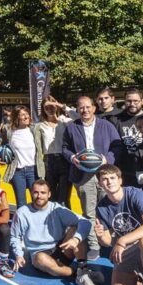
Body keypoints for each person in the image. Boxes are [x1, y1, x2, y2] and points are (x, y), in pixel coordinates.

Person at [9, 179, 98, 285]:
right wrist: (18, 255)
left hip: (61, 248)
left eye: (43, 193)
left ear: (49, 194)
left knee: (76, 229)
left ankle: (82, 269)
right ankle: (79, 273)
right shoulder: (22, 212)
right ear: (31, 193)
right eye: (36, 192)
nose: (39, 196)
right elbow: (15, 236)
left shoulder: (56, 209)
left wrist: (76, 239)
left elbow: (85, 222)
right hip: (40, 253)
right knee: (40, 259)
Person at [61, 96, 121, 258]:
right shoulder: (71, 127)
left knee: (109, 209)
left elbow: (117, 146)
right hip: (82, 173)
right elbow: (65, 148)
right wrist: (72, 157)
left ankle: (110, 242)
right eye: (81, 108)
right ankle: (94, 245)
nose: (85, 110)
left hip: (104, 171)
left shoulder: (106, 126)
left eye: (88, 107)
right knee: (89, 211)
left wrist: (107, 159)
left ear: (94, 108)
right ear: (77, 109)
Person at [0, 105, 44, 210]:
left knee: (37, 201)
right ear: (16, 117)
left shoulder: (35, 129)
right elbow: (0, 144)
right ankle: (22, 225)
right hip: (17, 171)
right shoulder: (9, 130)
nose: (26, 117)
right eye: (22, 114)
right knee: (21, 204)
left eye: (27, 114)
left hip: (33, 170)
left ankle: (37, 224)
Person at [36, 96, 72, 205]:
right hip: (49, 162)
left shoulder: (65, 121)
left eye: (52, 106)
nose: (50, 109)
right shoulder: (40, 126)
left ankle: (66, 221)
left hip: (64, 160)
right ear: (43, 110)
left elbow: (79, 116)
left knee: (64, 198)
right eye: (47, 107)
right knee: (51, 198)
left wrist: (61, 105)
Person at [113, 88, 143, 185]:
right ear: (125, 101)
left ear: (142, 101)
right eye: (129, 101)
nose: (132, 104)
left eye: (136, 101)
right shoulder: (116, 120)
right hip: (124, 170)